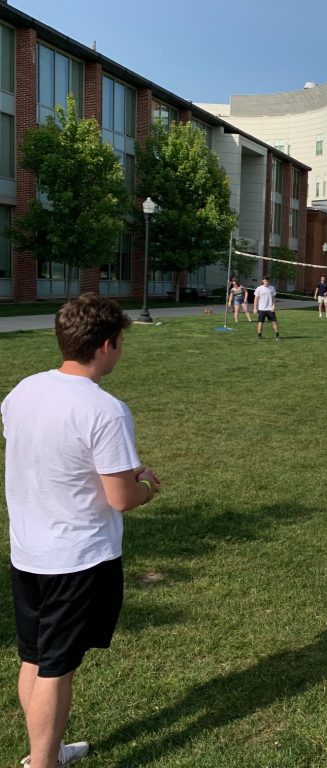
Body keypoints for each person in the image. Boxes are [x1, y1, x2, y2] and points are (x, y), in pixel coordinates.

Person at [2, 293, 162, 768]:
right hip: (76, 560)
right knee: (56, 666)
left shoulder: (21, 391)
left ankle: (41, 752)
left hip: (27, 551)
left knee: (33, 657)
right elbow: (121, 497)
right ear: (108, 345)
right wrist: (148, 484)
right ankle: (44, 763)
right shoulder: (105, 410)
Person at [254, 276, 280, 341]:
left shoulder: (272, 288)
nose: (266, 282)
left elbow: (273, 298)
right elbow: (256, 299)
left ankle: (277, 336)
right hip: (262, 309)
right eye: (265, 281)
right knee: (260, 323)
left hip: (270, 309)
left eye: (268, 281)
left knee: (274, 322)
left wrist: (273, 306)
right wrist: (255, 308)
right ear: (262, 281)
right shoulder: (259, 289)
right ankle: (259, 336)